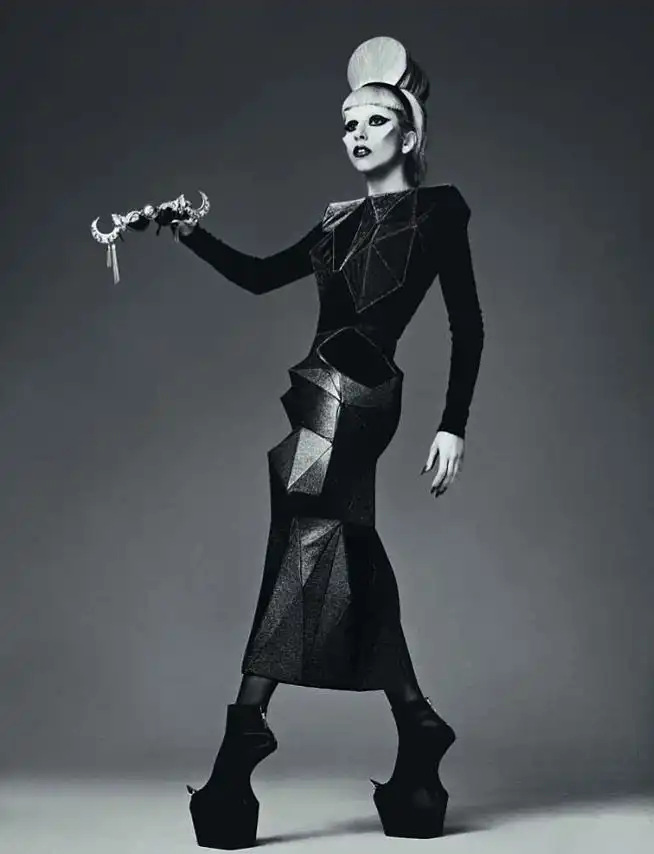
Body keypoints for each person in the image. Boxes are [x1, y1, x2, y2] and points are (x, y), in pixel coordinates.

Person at [145, 36, 484, 848]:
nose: (358, 133)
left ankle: (241, 742)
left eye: (377, 120)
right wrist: (189, 231)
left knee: (300, 542)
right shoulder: (336, 222)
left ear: (409, 132)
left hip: (359, 396)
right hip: (317, 390)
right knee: (342, 543)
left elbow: (466, 323)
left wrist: (453, 424)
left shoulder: (439, 210)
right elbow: (262, 275)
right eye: (348, 123)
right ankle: (417, 723)